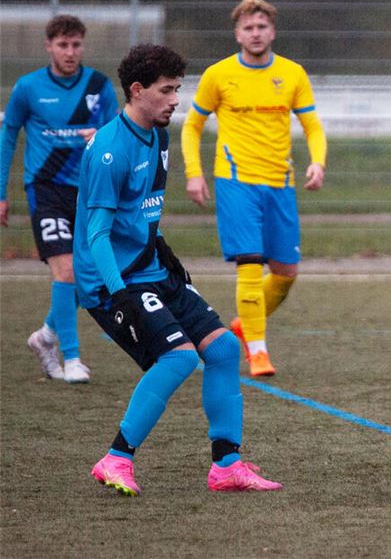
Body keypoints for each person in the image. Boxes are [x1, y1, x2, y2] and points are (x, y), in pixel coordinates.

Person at [75, 43, 281, 496]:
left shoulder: (158, 134)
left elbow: (140, 211)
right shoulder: (110, 149)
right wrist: (119, 293)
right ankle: (115, 458)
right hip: (112, 281)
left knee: (225, 349)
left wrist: (158, 247)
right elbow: (97, 234)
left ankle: (226, 466)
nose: (175, 100)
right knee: (180, 357)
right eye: (166, 91)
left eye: (177, 89)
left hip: (149, 269)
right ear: (136, 90)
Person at [181, 0, 327, 377]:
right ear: (237, 33)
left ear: (272, 31)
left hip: (280, 183)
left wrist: (317, 161)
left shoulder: (292, 74)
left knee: (285, 272)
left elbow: (312, 125)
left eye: (262, 27)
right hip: (236, 182)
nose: (256, 33)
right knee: (249, 263)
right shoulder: (219, 75)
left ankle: (245, 325)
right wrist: (194, 172)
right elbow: (192, 126)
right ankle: (258, 352)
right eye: (248, 27)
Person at [0, 15, 119, 383]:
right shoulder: (28, 87)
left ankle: (46, 336)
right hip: (45, 187)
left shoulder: (99, 85)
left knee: (88, 277)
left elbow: (119, 135)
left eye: (76, 45)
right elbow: (8, 136)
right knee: (65, 270)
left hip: (88, 190)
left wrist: (98, 135)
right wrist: (0, 191)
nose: (70, 52)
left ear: (83, 45)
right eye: (62, 45)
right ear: (48, 46)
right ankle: (72, 359)